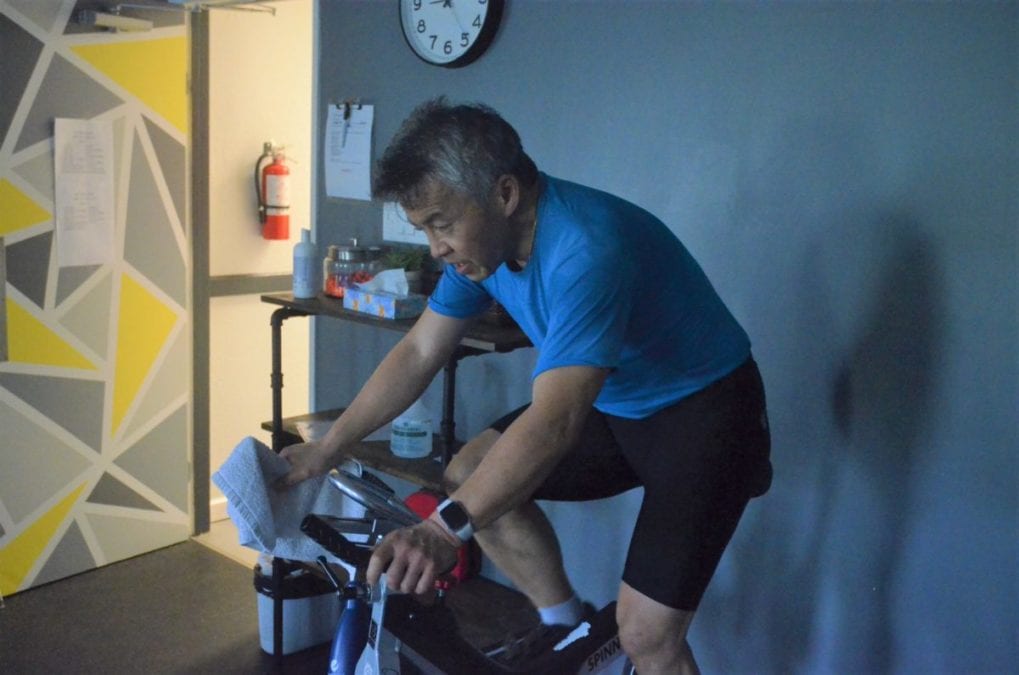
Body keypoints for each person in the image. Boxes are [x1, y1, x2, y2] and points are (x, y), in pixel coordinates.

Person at [280, 98, 772, 674]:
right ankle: (565, 627)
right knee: (467, 474)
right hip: (617, 405)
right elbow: (419, 350)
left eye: (442, 223)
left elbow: (555, 422)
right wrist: (327, 447)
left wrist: (443, 531)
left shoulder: (586, 248)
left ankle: (611, 639)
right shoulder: (481, 254)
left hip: (704, 414)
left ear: (505, 194)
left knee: (648, 638)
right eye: (425, 229)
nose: (435, 247)